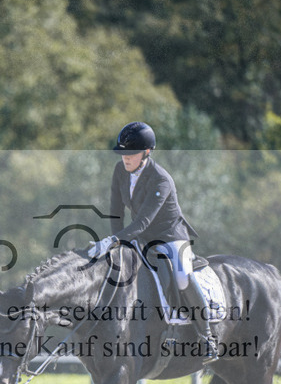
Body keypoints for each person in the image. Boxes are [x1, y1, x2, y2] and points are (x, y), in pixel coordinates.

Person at [87, 121, 216, 357]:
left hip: (171, 237)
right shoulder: (119, 171)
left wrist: (113, 240)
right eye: (123, 153)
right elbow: (116, 211)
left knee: (182, 277)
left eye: (131, 154)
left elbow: (143, 221)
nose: (125, 158)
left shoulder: (161, 179)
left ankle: (207, 336)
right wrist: (116, 243)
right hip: (141, 237)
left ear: (146, 152)